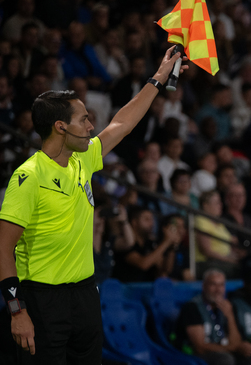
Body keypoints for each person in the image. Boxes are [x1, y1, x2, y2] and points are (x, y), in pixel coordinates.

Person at [0, 45, 186, 364]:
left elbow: (122, 124)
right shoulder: (29, 176)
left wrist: (158, 78)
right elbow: (3, 249)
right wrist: (17, 312)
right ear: (60, 127)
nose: (91, 127)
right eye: (84, 120)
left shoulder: (82, 159)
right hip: (43, 300)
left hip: (85, 295)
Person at [173, 269, 251, 365]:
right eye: (213, 285)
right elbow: (199, 347)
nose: (218, 290)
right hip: (194, 355)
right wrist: (232, 348)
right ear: (204, 286)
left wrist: (230, 316)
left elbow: (236, 342)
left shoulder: (228, 306)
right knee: (225, 359)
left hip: (223, 349)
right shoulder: (192, 307)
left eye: (221, 285)